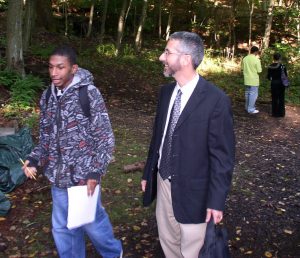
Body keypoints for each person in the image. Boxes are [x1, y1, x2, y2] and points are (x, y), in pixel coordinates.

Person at [21, 45, 122, 258]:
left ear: (73, 68)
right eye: (50, 67)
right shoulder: (48, 95)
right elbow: (46, 137)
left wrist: (95, 171)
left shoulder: (89, 93)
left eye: (60, 67)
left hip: (83, 177)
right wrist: (33, 159)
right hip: (57, 176)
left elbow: (105, 137)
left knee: (91, 223)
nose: (54, 73)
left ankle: (114, 254)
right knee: (63, 228)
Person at [141, 31, 235, 258]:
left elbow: (223, 157)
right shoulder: (165, 93)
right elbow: (158, 138)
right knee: (168, 242)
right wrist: (148, 173)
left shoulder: (216, 100)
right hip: (163, 183)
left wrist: (216, 200)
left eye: (167, 52)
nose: (162, 57)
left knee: (192, 249)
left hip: (195, 192)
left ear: (185, 59)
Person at [241, 46, 262, 114]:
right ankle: (251, 109)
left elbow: (242, 68)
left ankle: (247, 107)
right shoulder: (256, 60)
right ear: (256, 52)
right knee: (253, 95)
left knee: (247, 94)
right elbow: (259, 71)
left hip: (246, 79)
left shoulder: (245, 59)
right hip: (254, 80)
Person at [267, 53, 288, 117]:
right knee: (281, 98)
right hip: (281, 84)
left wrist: (272, 78)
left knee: (274, 98)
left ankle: (275, 113)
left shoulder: (270, 66)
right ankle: (281, 113)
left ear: (273, 58)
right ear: (279, 58)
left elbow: (268, 77)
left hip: (274, 83)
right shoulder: (282, 66)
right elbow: (285, 76)